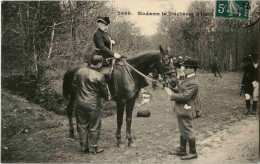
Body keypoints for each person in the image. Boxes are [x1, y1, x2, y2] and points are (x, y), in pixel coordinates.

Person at [73, 55, 111, 154]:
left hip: (79, 102)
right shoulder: (99, 76)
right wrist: (107, 98)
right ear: (99, 64)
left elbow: (74, 84)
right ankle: (93, 148)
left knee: (81, 124)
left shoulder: (80, 71)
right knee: (94, 125)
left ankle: (83, 146)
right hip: (93, 104)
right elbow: (104, 92)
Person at [164, 58, 201, 160]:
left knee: (188, 130)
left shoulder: (194, 82)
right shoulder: (187, 78)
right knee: (182, 129)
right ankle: (182, 149)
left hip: (186, 109)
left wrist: (171, 94)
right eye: (184, 66)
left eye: (186, 67)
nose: (183, 68)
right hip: (181, 109)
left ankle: (193, 152)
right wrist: (171, 89)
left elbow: (185, 96)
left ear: (193, 69)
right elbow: (181, 90)